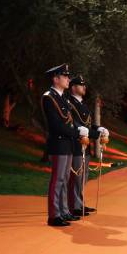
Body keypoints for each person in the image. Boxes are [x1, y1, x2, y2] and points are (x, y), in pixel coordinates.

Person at [41, 64, 89, 226]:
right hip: (58, 143)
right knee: (58, 179)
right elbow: (56, 125)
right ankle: (54, 215)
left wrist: (79, 129)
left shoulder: (61, 98)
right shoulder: (49, 97)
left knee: (65, 178)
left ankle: (64, 211)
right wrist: (77, 132)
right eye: (65, 76)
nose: (68, 79)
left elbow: (69, 121)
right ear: (56, 79)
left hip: (67, 144)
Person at [66, 75, 108, 216]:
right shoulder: (69, 103)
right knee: (76, 177)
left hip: (85, 145)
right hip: (76, 144)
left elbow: (87, 124)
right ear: (73, 87)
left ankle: (79, 203)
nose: (84, 87)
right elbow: (77, 125)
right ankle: (74, 206)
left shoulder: (82, 104)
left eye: (84, 85)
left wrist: (99, 128)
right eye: (80, 85)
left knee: (83, 176)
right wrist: (95, 134)